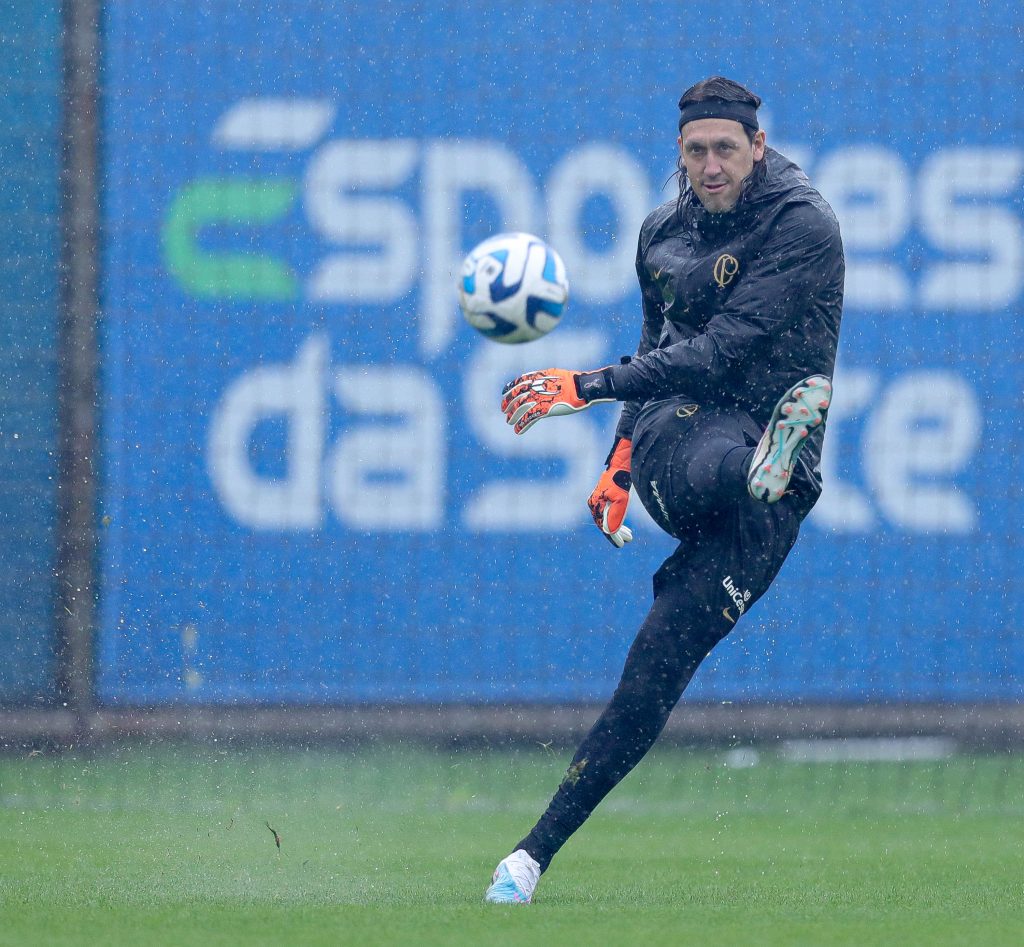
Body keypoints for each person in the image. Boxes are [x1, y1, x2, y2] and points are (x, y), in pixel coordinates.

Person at [484, 76, 844, 904]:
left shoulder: (803, 225)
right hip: (680, 432)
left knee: (654, 674)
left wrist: (586, 383)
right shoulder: (660, 234)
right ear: (678, 153)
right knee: (709, 452)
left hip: (769, 476)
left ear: (759, 146)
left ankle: (525, 861)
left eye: (727, 148)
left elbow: (723, 347)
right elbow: (663, 343)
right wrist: (615, 458)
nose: (711, 165)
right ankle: (530, 856)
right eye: (696, 150)